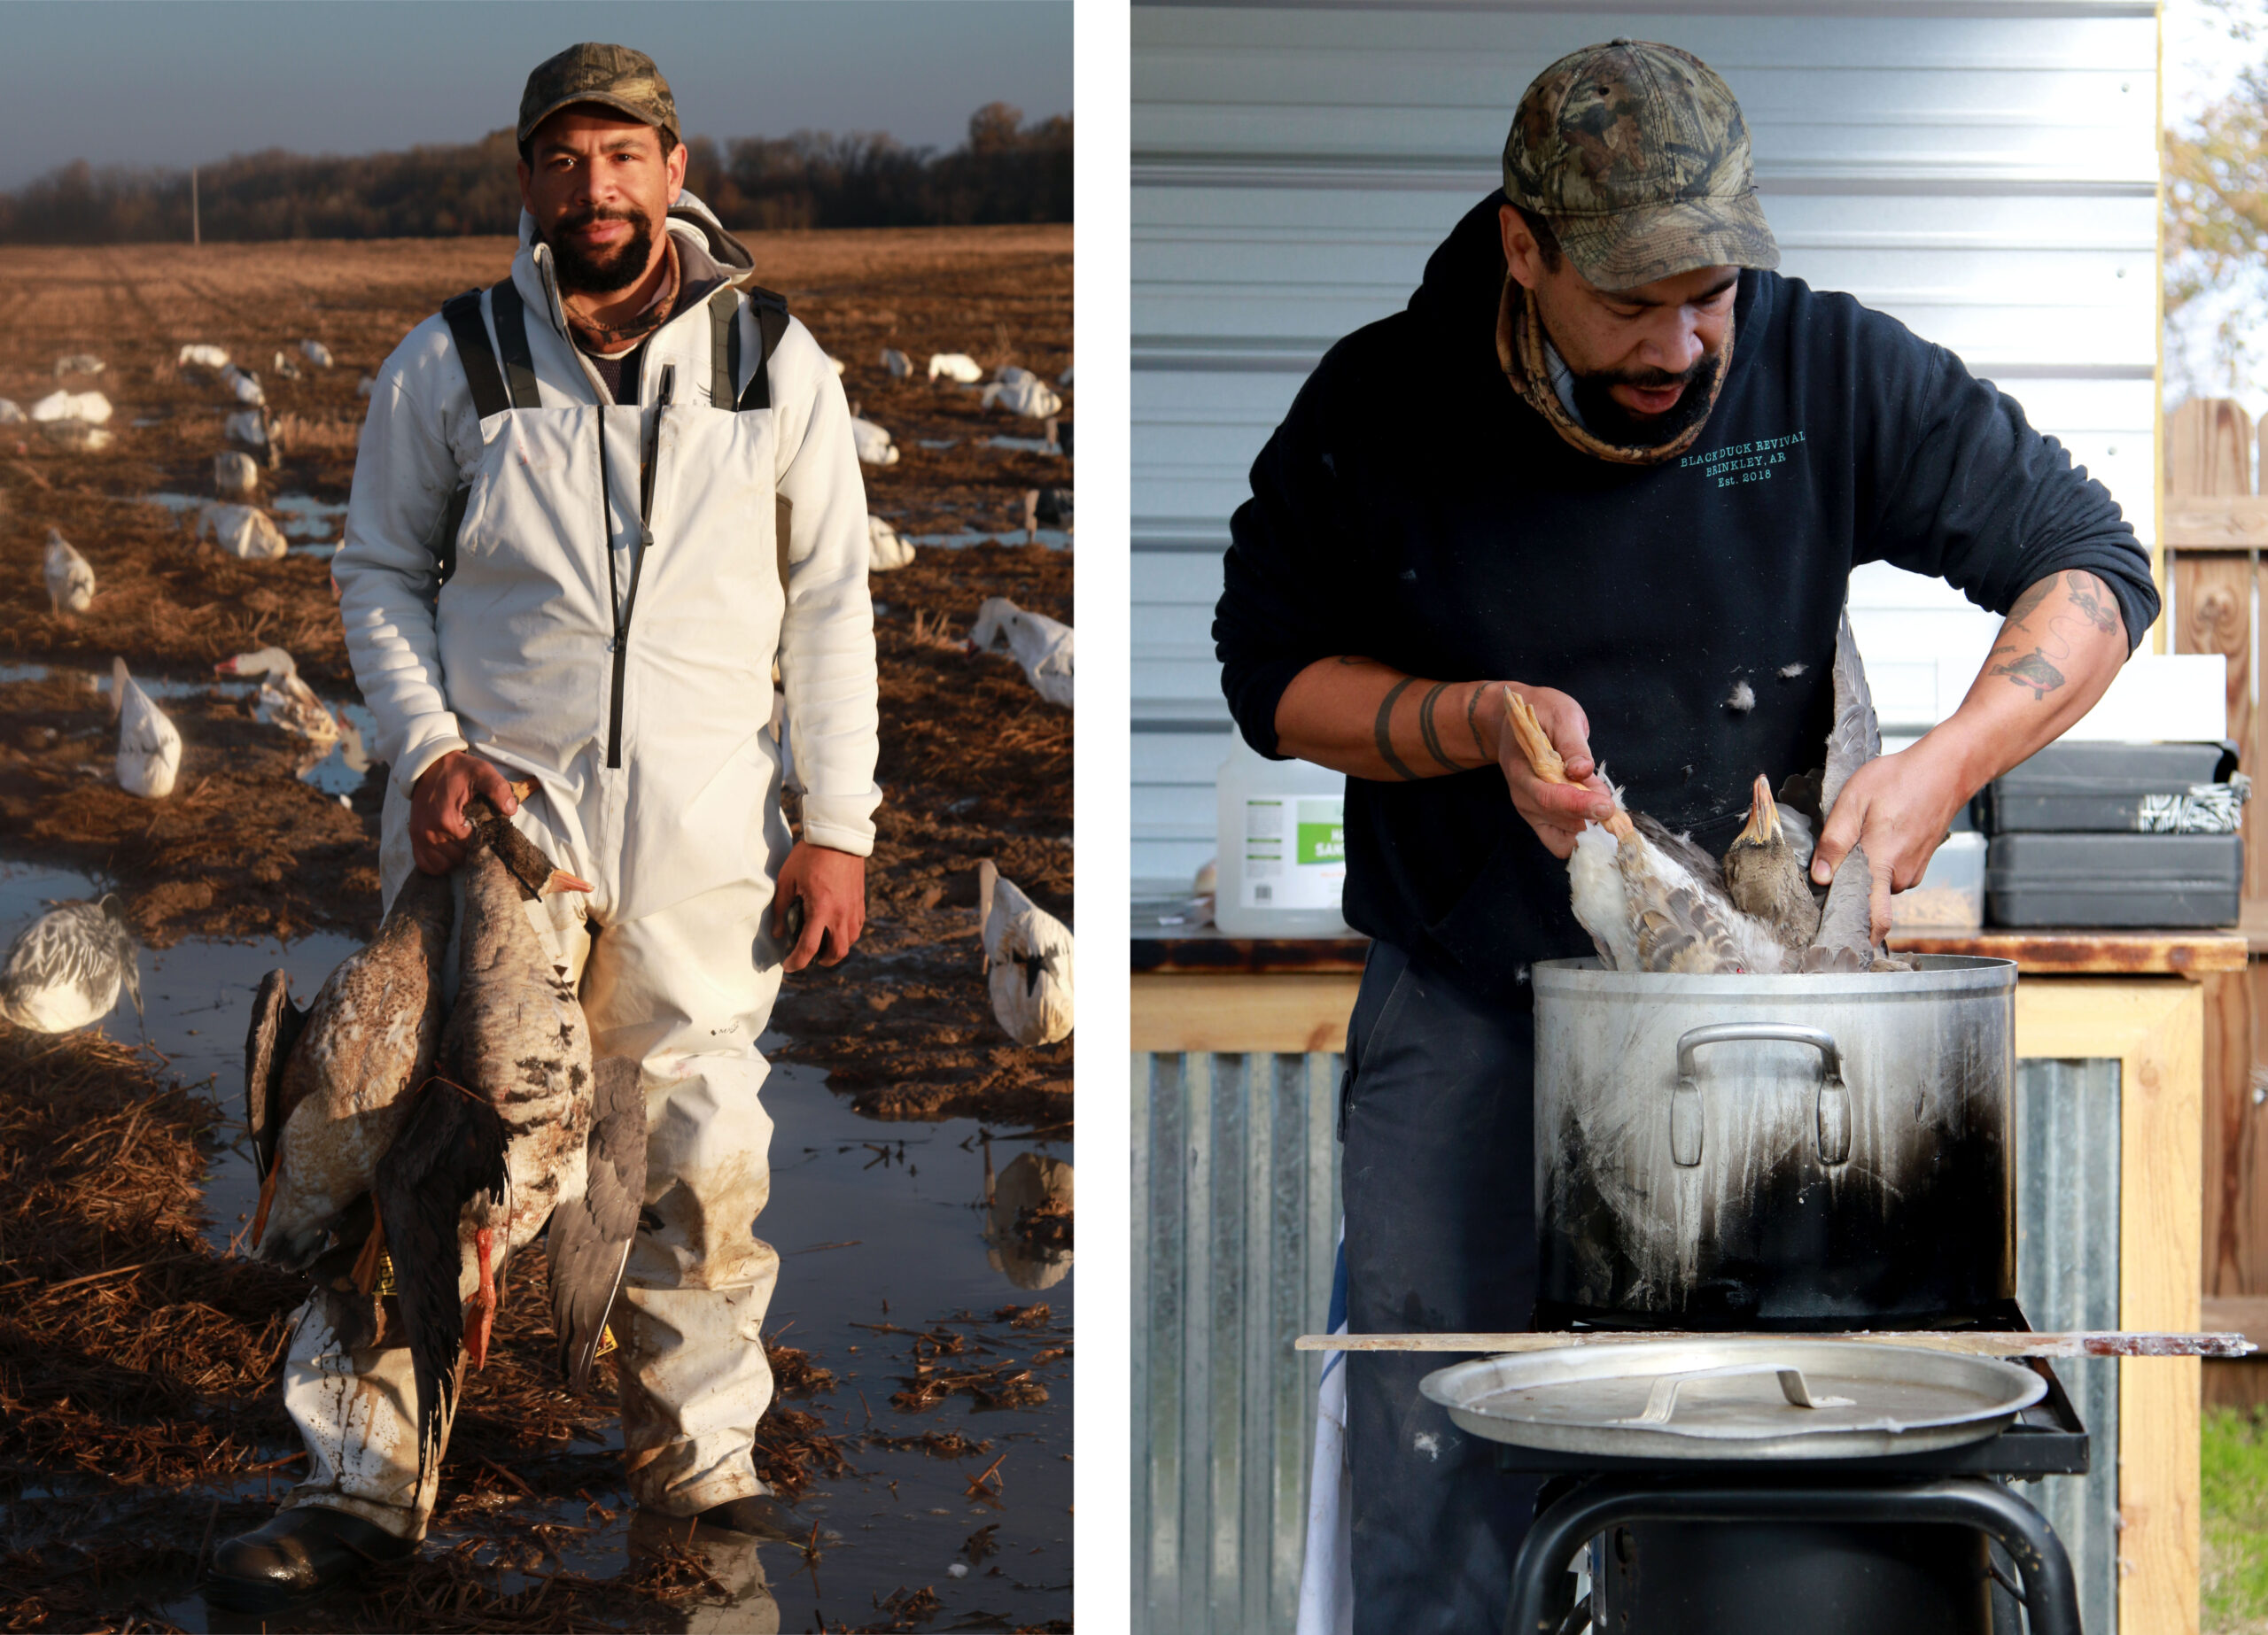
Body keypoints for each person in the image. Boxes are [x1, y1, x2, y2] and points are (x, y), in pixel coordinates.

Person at [1214, 39, 2157, 1635]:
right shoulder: (1383, 401)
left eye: (1708, 291)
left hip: (1763, 1035)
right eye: (1629, 300)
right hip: (1473, 1015)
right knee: (1446, 1450)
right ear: (1525, 248)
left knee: (1776, 1467)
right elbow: (1272, 677)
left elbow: (2092, 562)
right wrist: (1466, 721)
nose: (1678, 340)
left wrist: (1943, 766)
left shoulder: (1825, 370)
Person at [205, 42, 880, 1610]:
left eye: (622, 156)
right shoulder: (450, 363)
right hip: (490, 850)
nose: (596, 188)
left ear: (673, 162)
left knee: (702, 1157)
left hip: (705, 850)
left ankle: (699, 1468)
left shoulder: (776, 364)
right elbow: (376, 572)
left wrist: (832, 822)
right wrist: (430, 749)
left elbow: (834, 605)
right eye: (563, 162)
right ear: (527, 183)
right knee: (401, 1149)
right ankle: (360, 1480)